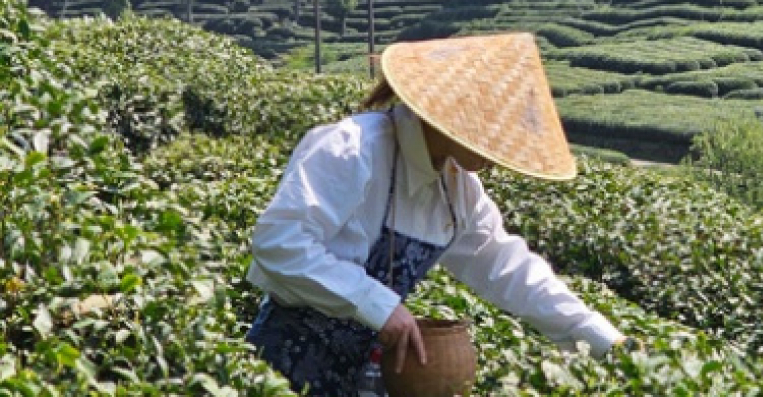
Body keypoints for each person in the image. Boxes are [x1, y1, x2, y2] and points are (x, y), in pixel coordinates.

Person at [245, 33, 626, 395]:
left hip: (367, 377)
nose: (496, 155)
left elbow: (507, 268)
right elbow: (281, 243)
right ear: (451, 115)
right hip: (284, 370)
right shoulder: (353, 149)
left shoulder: (458, 190)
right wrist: (377, 304)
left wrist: (601, 339)